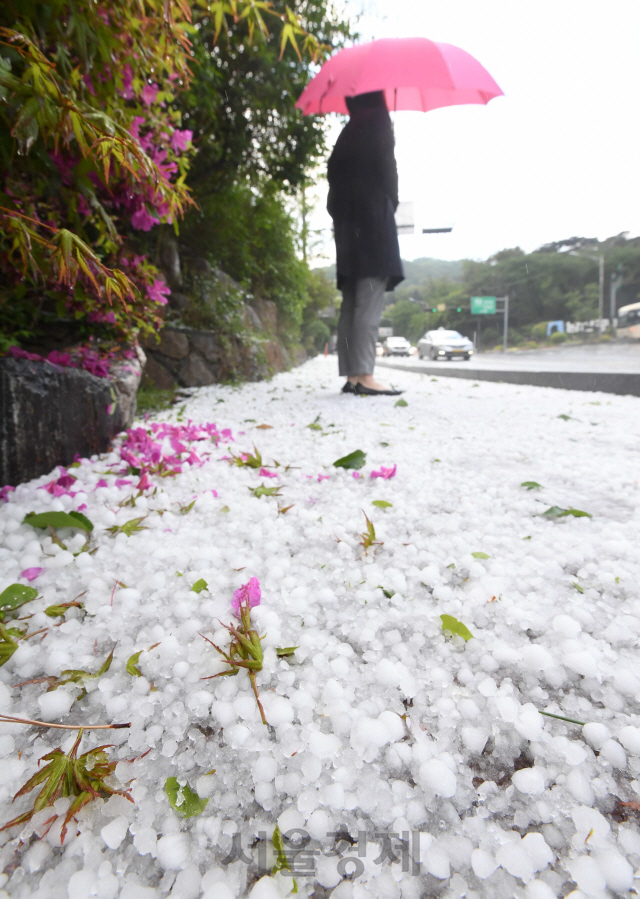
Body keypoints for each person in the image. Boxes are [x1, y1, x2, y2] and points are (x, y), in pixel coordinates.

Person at [327, 90, 404, 396]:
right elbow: (390, 180)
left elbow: (332, 186)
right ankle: (365, 376)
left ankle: (352, 375)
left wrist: (345, 217)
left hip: (347, 230)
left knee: (351, 303)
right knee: (369, 301)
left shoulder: (346, 135)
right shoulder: (379, 128)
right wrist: (387, 204)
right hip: (374, 227)